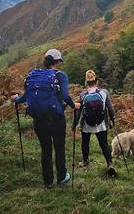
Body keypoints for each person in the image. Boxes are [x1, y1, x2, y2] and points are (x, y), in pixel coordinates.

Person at [12, 49, 81, 189]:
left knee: (46, 149)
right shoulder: (60, 76)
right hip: (56, 118)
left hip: (39, 120)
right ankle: (62, 177)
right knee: (59, 148)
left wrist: (16, 99)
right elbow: (65, 95)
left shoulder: (34, 75)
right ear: (57, 61)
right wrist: (74, 105)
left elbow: (24, 97)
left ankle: (48, 181)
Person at [72, 70, 116, 177]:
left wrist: (74, 125)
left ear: (86, 82)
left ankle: (85, 161)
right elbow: (110, 109)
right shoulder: (104, 92)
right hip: (101, 124)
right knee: (104, 144)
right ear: (96, 80)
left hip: (87, 124)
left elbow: (78, 112)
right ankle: (110, 164)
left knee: (85, 143)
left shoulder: (83, 94)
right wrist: (112, 119)